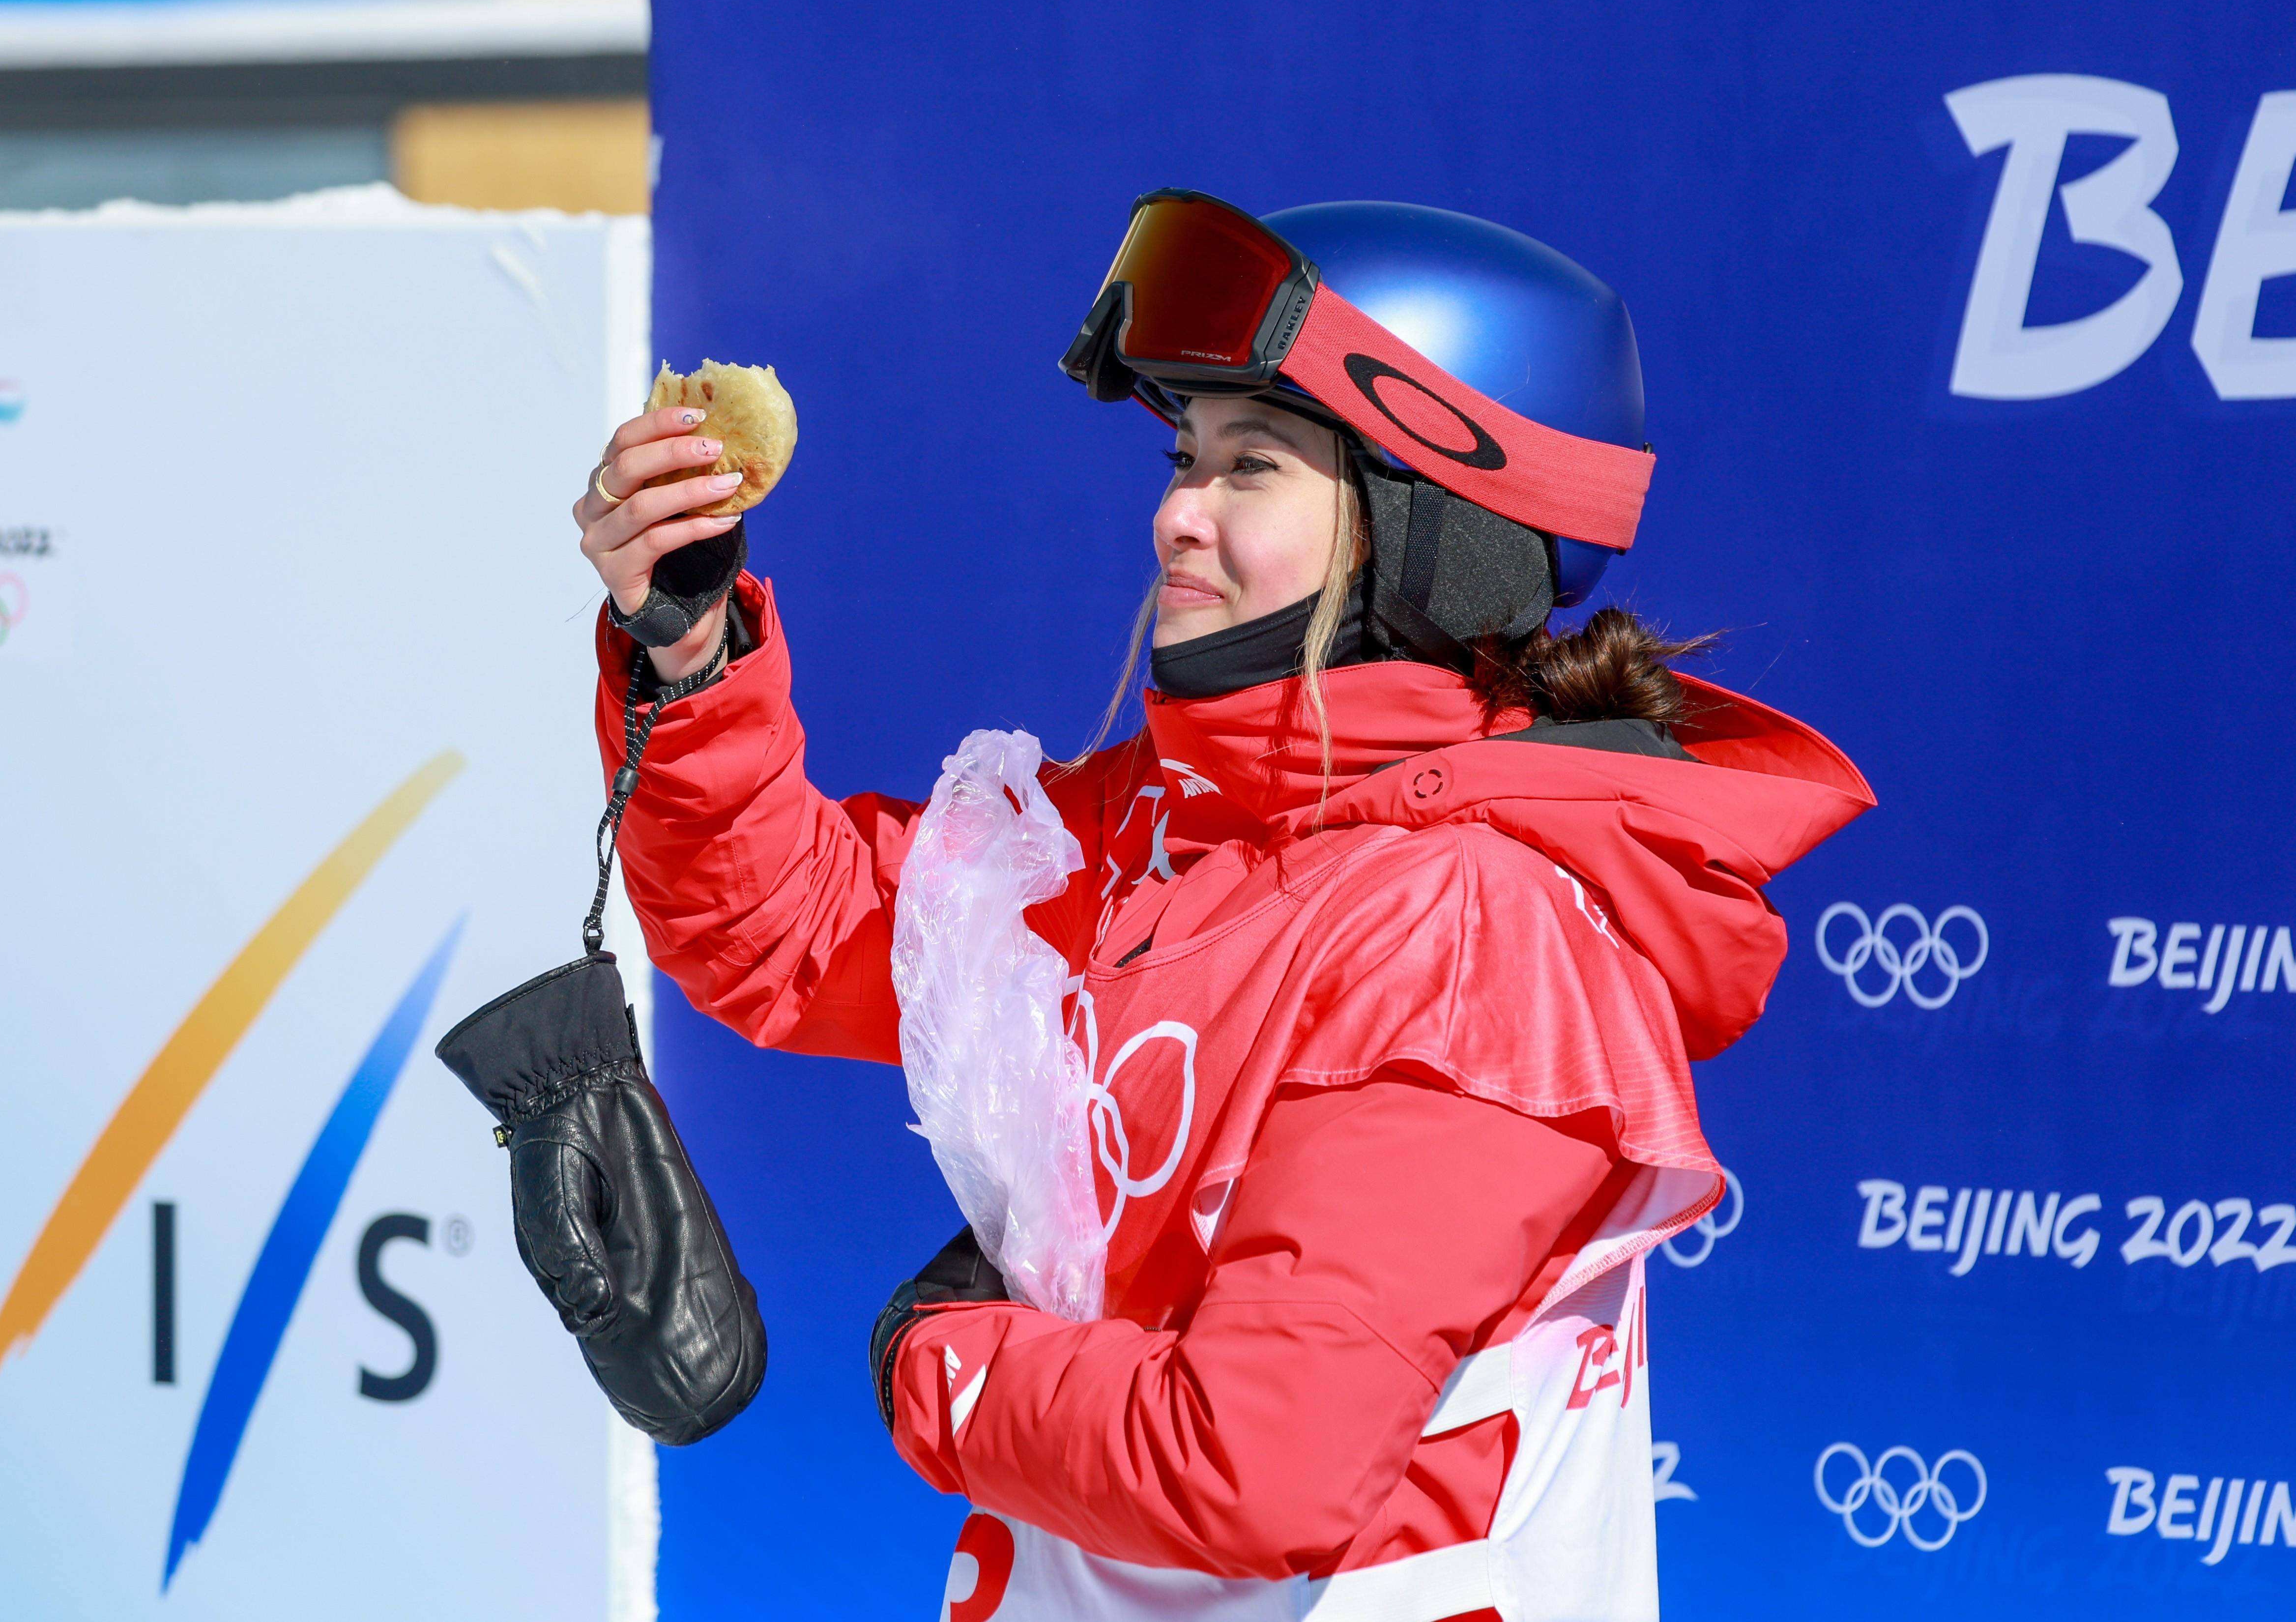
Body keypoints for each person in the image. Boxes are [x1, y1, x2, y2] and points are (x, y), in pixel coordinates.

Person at [568, 192, 1871, 1621]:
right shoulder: (1159, 824)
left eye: (1252, 467)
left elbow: (1251, 1464)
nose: (1175, 511)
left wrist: (944, 1353)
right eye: (1187, 455)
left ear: (1430, 530)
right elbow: (796, 933)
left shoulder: (1469, 931)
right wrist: (686, 655)